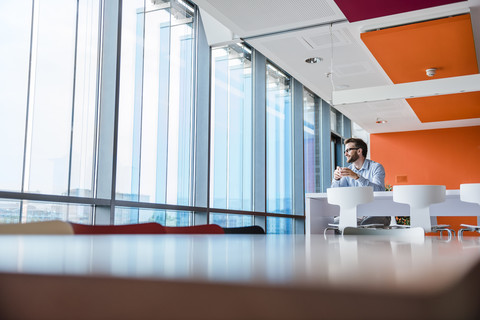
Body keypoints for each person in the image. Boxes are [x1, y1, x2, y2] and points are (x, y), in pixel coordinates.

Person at [331, 137, 390, 226]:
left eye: (348, 150)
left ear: (359, 151)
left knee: (366, 223)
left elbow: (379, 190)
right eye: (345, 151)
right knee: (331, 223)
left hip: (375, 213)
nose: (345, 154)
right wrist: (336, 179)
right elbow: (335, 193)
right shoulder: (348, 171)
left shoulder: (376, 167)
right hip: (355, 214)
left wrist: (357, 177)